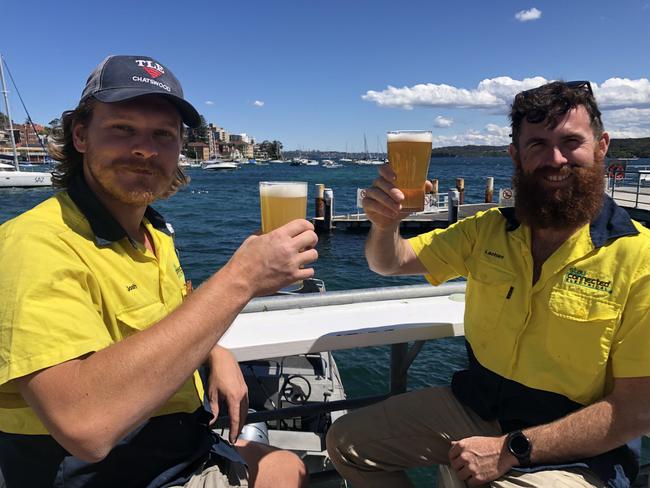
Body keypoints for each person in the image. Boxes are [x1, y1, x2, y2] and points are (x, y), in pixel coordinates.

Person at [0, 55, 317, 487]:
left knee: (288, 466)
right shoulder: (35, 244)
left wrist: (216, 354)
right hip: (114, 473)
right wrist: (241, 278)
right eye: (123, 129)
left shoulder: (152, 232)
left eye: (163, 135)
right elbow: (85, 426)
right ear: (79, 136)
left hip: (179, 445)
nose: (145, 149)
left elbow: (168, 312)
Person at [326, 80, 650, 487]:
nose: (555, 158)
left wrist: (511, 448)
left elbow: (636, 410)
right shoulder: (488, 231)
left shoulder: (640, 260)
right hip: (479, 406)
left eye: (571, 141)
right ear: (515, 155)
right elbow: (390, 262)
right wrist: (385, 225)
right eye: (537, 145)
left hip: (583, 449)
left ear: (602, 146)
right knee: (347, 442)